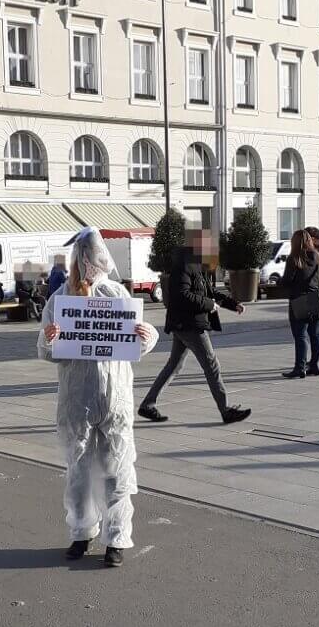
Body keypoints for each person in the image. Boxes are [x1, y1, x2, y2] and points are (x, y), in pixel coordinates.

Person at [38, 227, 158, 566]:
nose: (89, 266)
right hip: (77, 400)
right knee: (78, 471)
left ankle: (116, 538)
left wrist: (148, 336)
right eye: (85, 259)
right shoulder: (60, 299)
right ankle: (81, 533)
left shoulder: (117, 293)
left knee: (117, 471)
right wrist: (50, 338)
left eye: (94, 259)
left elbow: (137, 342)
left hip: (114, 399)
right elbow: (46, 352)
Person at [137, 242, 250, 425]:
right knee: (211, 364)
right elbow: (182, 295)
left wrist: (231, 304)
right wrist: (208, 304)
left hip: (187, 323)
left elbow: (209, 291)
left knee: (174, 365)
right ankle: (225, 410)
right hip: (188, 324)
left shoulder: (199, 267)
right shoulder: (183, 266)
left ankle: (147, 404)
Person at [281, 229, 319, 379]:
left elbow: (287, 280)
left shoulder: (294, 258)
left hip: (299, 300)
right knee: (316, 335)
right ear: (309, 241)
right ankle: (317, 366)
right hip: (316, 297)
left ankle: (300, 368)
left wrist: (280, 283)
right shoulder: (318, 257)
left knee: (300, 336)